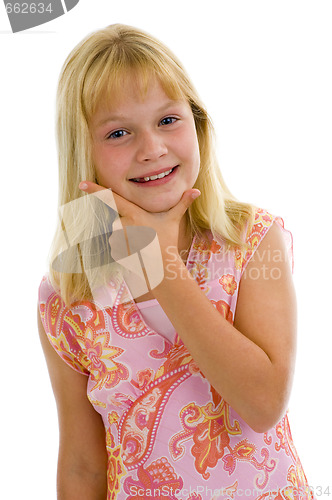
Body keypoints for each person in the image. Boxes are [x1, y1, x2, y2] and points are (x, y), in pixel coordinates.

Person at [37, 24, 314, 500]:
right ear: (85, 155)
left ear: (198, 124)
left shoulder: (250, 240)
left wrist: (159, 263)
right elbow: (83, 465)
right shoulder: (69, 295)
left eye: (168, 120)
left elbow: (263, 402)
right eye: (119, 132)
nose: (152, 149)